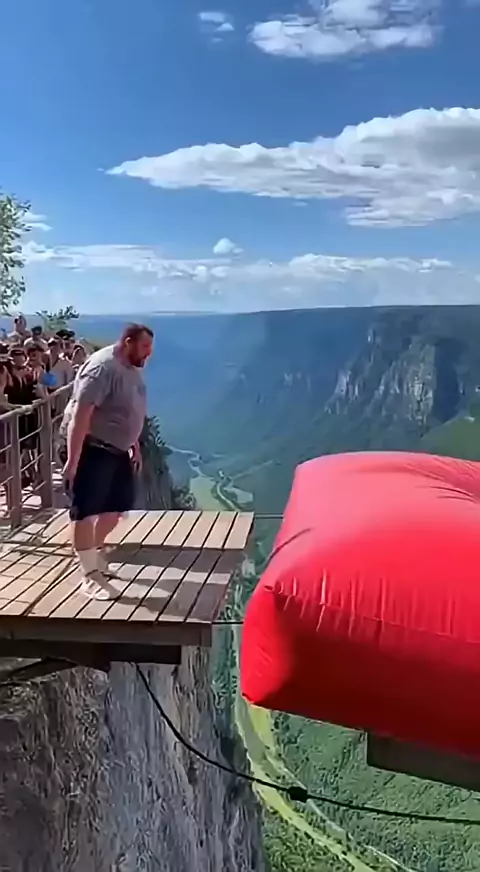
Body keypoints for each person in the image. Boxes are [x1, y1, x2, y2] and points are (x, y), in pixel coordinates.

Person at [61, 323, 153, 599]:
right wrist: (73, 461)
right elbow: (81, 415)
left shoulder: (130, 368)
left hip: (118, 449)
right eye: (145, 346)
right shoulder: (102, 368)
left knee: (116, 508)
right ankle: (89, 575)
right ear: (128, 341)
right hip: (93, 446)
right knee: (86, 511)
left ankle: (93, 554)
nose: (149, 353)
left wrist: (134, 443)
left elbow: (126, 411)